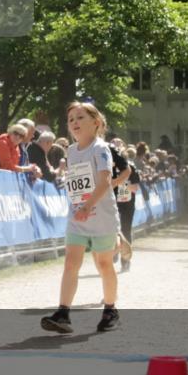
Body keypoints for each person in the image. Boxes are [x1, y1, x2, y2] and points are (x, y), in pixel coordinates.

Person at [41, 101, 127, 334]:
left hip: (101, 216)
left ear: (95, 122)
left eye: (80, 118)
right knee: (71, 262)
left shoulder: (100, 149)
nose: (74, 123)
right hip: (78, 216)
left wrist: (88, 206)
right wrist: (77, 205)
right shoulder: (70, 151)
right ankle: (63, 313)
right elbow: (76, 184)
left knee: (103, 264)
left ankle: (110, 310)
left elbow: (105, 181)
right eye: (71, 120)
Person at [115, 146, 139, 273]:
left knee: (125, 230)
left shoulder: (131, 168)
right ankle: (113, 253)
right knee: (112, 230)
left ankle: (125, 261)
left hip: (127, 204)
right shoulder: (109, 169)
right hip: (112, 203)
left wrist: (123, 184)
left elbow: (135, 188)